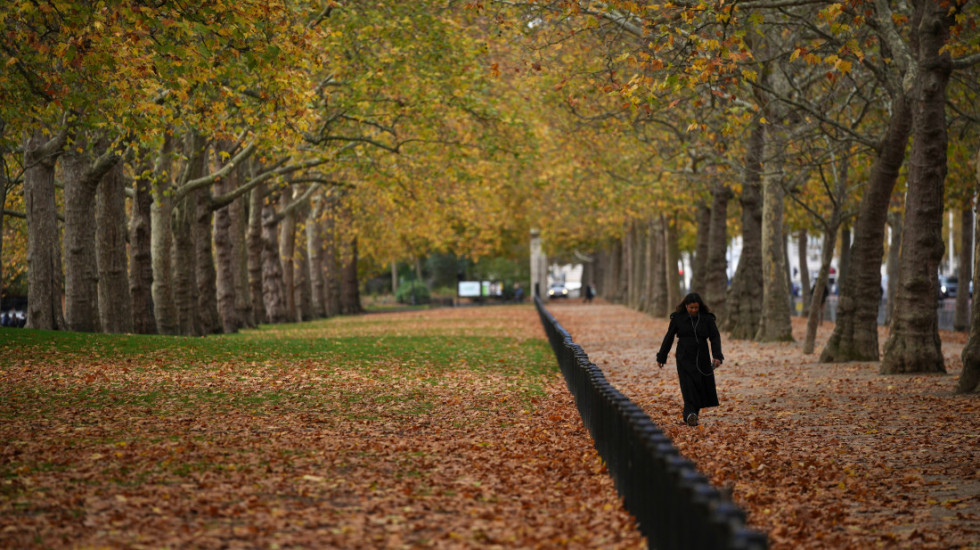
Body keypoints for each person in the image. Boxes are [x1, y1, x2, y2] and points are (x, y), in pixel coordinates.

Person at [656, 293, 724, 427]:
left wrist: (717, 355)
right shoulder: (678, 318)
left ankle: (692, 415)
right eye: (691, 307)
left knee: (699, 385)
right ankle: (689, 415)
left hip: (702, 356)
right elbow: (669, 337)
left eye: (696, 308)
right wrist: (662, 356)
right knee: (688, 385)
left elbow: (715, 337)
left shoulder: (707, 319)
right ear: (686, 306)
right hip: (684, 356)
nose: (693, 310)